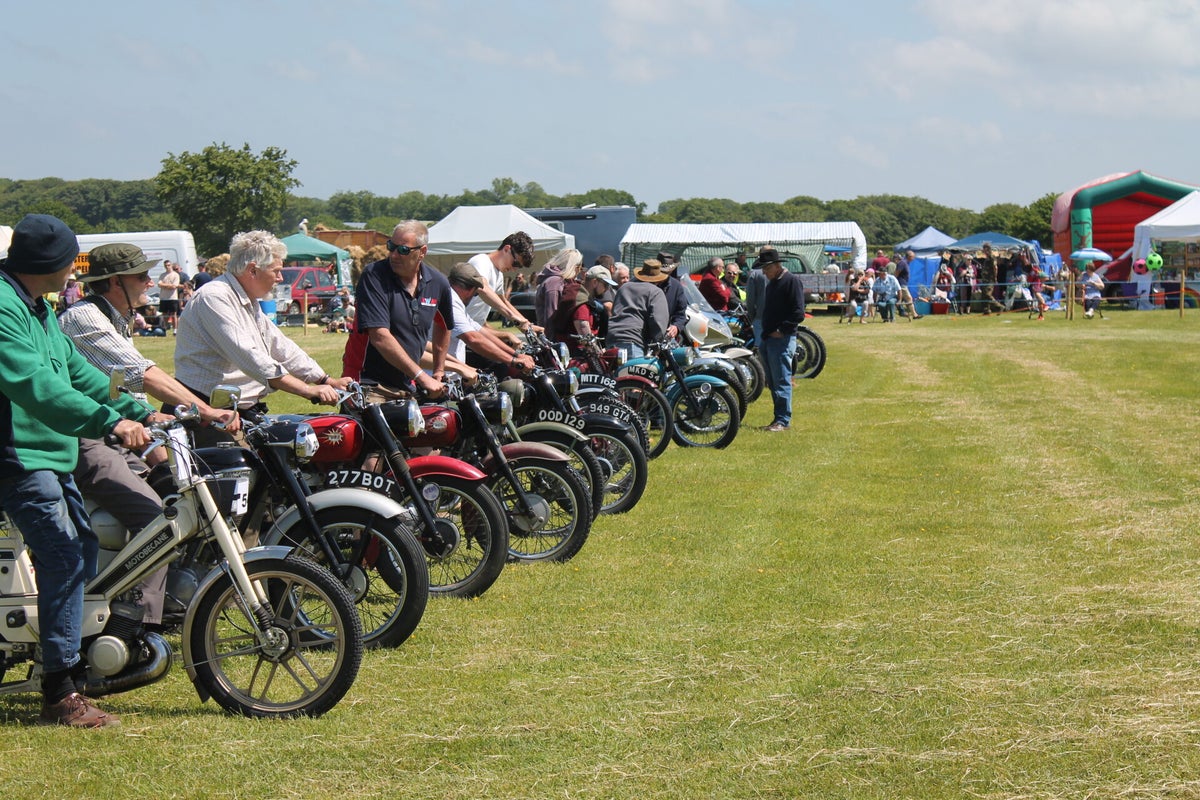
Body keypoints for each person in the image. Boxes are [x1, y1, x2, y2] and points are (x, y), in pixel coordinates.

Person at [0, 214, 154, 727]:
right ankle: (60, 691)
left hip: (48, 453)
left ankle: (60, 655)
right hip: (16, 456)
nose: (75, 270)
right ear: (51, 263)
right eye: (71, 260)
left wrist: (140, 409)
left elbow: (80, 372)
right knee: (65, 554)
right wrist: (110, 422)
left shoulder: (38, 307)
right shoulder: (3, 308)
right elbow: (35, 387)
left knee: (83, 549)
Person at [174, 230, 353, 423]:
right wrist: (307, 390)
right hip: (205, 413)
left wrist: (325, 380)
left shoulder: (247, 299)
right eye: (276, 271)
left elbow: (281, 346)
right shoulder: (214, 297)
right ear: (253, 270)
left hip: (232, 411)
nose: (280, 279)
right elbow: (250, 357)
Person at [353, 221, 454, 399]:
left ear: (422, 252)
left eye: (403, 250)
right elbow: (380, 336)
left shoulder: (438, 283)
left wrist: (439, 370)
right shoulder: (374, 276)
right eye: (391, 246)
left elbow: (444, 324)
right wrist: (422, 376)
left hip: (409, 386)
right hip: (370, 385)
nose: (394, 255)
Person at [444, 262, 534, 373]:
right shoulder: (450, 301)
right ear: (468, 288)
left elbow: (480, 331)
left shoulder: (455, 301)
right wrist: (512, 360)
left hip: (451, 376)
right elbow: (473, 338)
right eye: (475, 293)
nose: (473, 297)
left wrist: (516, 355)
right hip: (439, 378)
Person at [757, 249, 805, 432]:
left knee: (782, 379)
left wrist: (782, 330)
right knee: (773, 381)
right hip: (769, 338)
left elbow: (798, 313)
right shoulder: (772, 283)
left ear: (777, 266)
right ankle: (778, 418)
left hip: (781, 339)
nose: (764, 272)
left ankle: (783, 420)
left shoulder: (791, 281)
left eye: (766, 268)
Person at [465, 231, 539, 332]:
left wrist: (528, 325)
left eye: (519, 267)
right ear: (506, 249)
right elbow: (483, 288)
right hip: (458, 329)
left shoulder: (499, 275)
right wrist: (514, 318)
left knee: (510, 342)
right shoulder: (481, 261)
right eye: (516, 263)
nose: (514, 269)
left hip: (475, 327)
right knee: (508, 340)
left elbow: (503, 302)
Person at [606, 259, 669, 359]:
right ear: (658, 279)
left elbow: (614, 311)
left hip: (612, 338)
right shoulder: (655, 292)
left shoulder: (624, 288)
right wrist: (658, 344)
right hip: (634, 341)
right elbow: (658, 322)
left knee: (615, 374)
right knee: (635, 374)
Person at [555, 266, 617, 355]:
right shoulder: (582, 305)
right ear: (595, 282)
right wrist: (598, 353)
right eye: (605, 285)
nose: (607, 289)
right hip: (577, 357)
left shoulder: (582, 296)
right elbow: (585, 335)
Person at [533, 248, 583, 330]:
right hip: (553, 338)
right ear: (574, 267)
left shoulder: (554, 281)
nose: (579, 271)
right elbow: (551, 316)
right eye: (579, 267)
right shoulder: (555, 283)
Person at [156, 260, 181, 332]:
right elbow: (159, 284)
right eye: (166, 265)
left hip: (172, 297)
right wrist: (168, 286)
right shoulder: (162, 275)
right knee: (165, 314)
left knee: (174, 314)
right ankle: (165, 328)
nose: (167, 267)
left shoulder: (175, 275)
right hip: (164, 298)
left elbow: (174, 286)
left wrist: (164, 285)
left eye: (168, 265)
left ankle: (175, 329)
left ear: (171, 265)